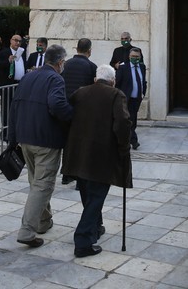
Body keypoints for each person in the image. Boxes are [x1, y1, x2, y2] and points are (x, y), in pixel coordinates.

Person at [62, 64, 132, 258]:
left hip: (78, 153)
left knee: (88, 193)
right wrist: (124, 148)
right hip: (101, 154)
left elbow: (67, 115)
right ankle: (83, 240)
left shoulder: (80, 92)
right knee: (96, 197)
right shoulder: (116, 94)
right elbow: (123, 122)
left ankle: (95, 227)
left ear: (95, 79)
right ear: (113, 81)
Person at [8, 44, 73, 248]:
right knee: (43, 184)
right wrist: (72, 116)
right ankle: (27, 231)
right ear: (60, 62)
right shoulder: (56, 79)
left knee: (36, 182)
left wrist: (12, 138)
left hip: (25, 137)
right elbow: (57, 104)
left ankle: (43, 221)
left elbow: (14, 106)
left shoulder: (28, 77)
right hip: (46, 140)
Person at [60, 38, 97, 185]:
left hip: (66, 109)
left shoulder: (66, 65)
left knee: (67, 143)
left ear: (77, 49)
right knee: (82, 144)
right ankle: (80, 178)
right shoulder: (91, 66)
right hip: (83, 111)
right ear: (89, 50)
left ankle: (66, 174)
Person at [114, 47, 146, 150]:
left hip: (137, 99)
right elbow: (117, 83)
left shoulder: (142, 67)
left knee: (133, 120)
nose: (135, 58)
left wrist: (143, 93)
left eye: (137, 56)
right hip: (126, 99)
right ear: (129, 56)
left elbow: (143, 81)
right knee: (128, 120)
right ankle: (133, 141)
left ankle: (127, 139)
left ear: (140, 57)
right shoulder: (123, 68)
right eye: (133, 56)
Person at [0, 34, 27, 140]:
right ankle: (6, 132)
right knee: (7, 108)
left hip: (20, 84)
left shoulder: (21, 53)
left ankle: (17, 131)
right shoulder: (5, 52)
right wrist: (8, 61)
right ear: (11, 41)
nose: (17, 43)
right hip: (9, 85)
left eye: (19, 41)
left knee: (19, 108)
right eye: (15, 40)